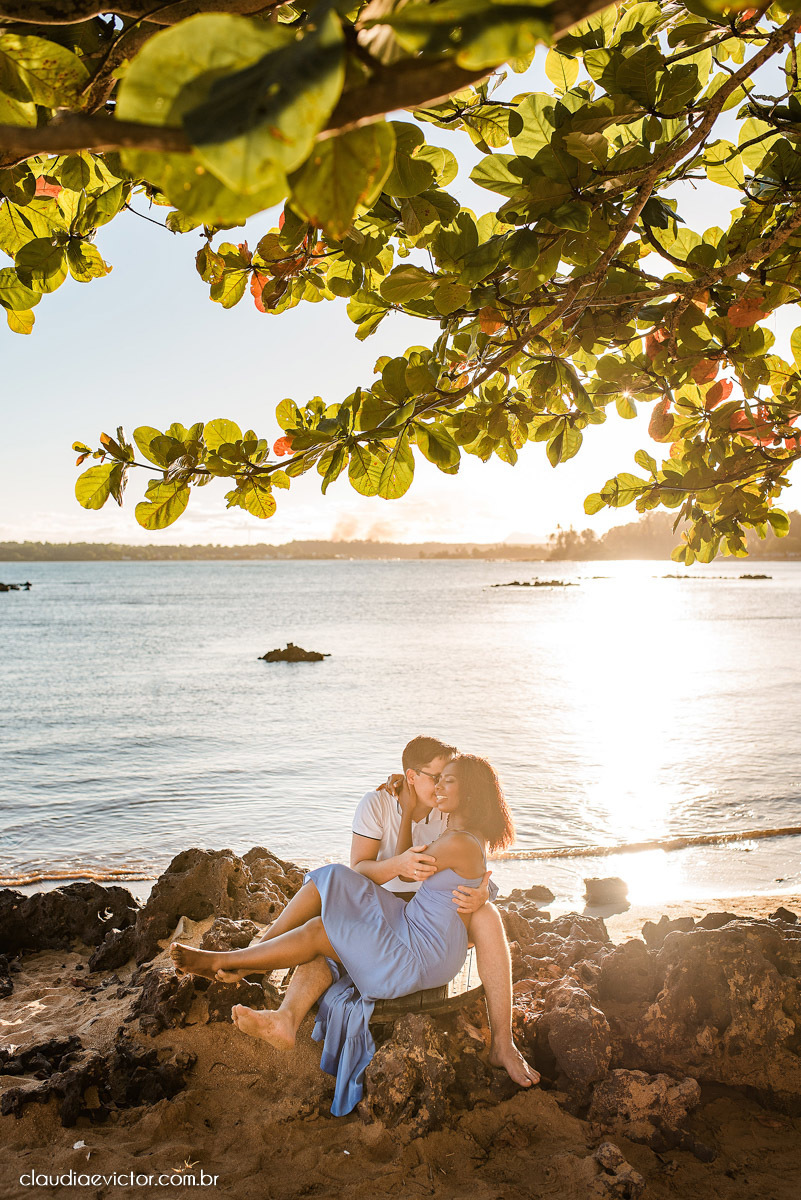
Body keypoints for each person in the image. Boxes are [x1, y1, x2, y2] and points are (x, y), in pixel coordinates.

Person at [170, 755, 535, 1115]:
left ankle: (234, 963)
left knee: (321, 926)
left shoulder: (458, 841)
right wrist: (409, 803)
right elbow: (437, 870)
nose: (438, 786)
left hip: (418, 950)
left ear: (469, 793)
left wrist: (407, 808)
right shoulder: (460, 834)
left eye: (447, 780)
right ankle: (268, 994)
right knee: (330, 880)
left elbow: (410, 872)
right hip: (413, 925)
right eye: (435, 778)